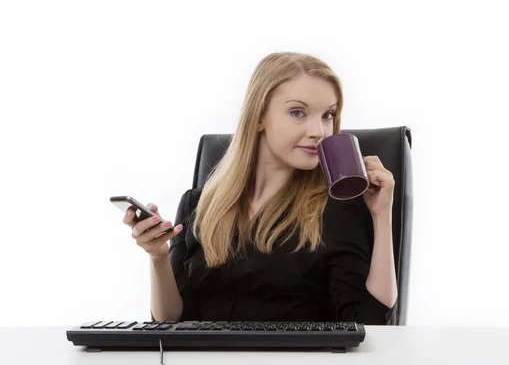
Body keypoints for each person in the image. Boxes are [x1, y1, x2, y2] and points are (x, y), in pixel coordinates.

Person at [123, 52, 398, 325]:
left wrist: (381, 216)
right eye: (298, 112)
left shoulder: (337, 207)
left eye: (328, 115)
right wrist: (157, 256)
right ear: (258, 118)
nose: (319, 131)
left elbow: (369, 321)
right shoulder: (198, 204)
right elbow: (171, 323)